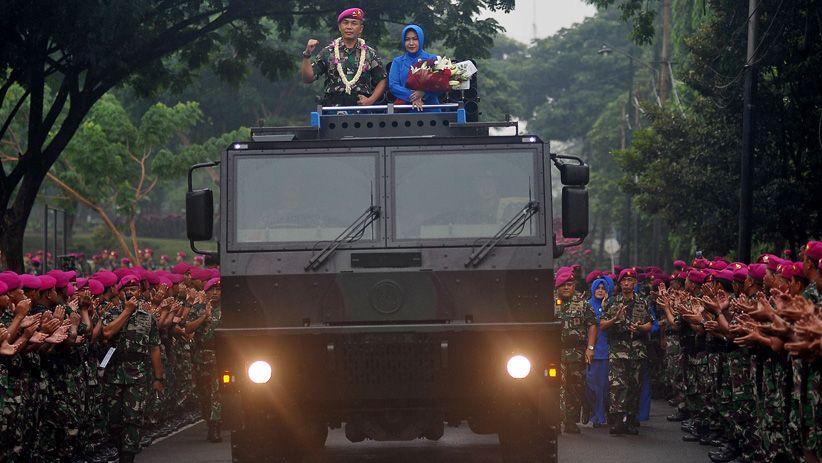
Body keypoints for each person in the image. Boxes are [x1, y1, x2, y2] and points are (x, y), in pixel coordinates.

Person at [101, 275, 163, 463]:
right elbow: (107, 332)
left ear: (140, 292)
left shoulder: (148, 317)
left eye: (134, 289)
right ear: (120, 293)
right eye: (126, 290)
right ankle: (120, 448)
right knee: (113, 419)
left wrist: (158, 378)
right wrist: (127, 312)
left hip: (137, 374)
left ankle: (128, 456)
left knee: (133, 418)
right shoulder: (111, 313)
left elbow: (154, 348)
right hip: (114, 372)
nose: (130, 292)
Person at [600, 267, 653, 435]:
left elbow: (650, 324)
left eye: (630, 280)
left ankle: (630, 419)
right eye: (624, 280)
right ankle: (617, 421)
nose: (627, 283)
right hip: (617, 350)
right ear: (620, 283)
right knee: (616, 385)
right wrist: (615, 319)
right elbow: (602, 325)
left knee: (634, 385)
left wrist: (640, 328)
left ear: (635, 283)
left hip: (637, 350)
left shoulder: (643, 302)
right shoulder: (612, 302)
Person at [301, 7, 387, 107]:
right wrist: (307, 54)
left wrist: (371, 100)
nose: (349, 27)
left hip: (360, 107)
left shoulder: (369, 53)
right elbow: (308, 79)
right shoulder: (328, 52)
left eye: (354, 23)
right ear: (339, 27)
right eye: (345, 23)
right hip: (333, 107)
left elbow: (382, 79)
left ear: (361, 29)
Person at [554, 267, 597, 433]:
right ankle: (555, 420)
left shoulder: (582, 304)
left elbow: (592, 325)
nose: (566, 287)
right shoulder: (550, 302)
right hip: (554, 352)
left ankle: (571, 421)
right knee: (556, 386)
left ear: (574, 286)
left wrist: (590, 348)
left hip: (577, 352)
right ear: (558, 286)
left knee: (575, 387)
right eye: (563, 284)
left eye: (570, 284)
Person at [389, 25, 441, 111]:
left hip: (431, 110)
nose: (411, 43)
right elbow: (393, 86)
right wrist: (414, 96)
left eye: (415, 39)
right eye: (407, 39)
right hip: (405, 110)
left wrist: (423, 93)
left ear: (421, 39)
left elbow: (439, 85)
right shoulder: (398, 62)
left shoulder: (433, 59)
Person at [586, 276, 614, 428]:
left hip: (606, 351)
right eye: (598, 288)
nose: (600, 291)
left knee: (603, 387)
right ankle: (590, 411)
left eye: (603, 288)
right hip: (590, 350)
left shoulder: (611, 305)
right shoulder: (587, 305)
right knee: (590, 385)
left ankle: (599, 416)